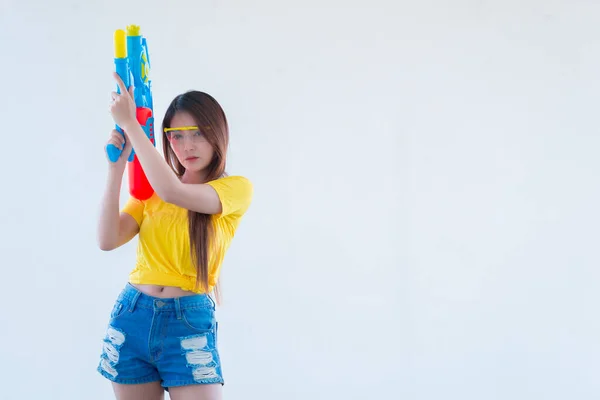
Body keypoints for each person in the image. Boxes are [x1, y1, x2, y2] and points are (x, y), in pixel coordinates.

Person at [96, 72, 253, 400]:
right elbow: (107, 239)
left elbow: (173, 191)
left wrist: (131, 126)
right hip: (132, 317)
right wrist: (116, 169)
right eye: (176, 136)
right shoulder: (150, 191)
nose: (187, 145)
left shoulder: (234, 189)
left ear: (218, 135)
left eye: (197, 133)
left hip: (188, 325)